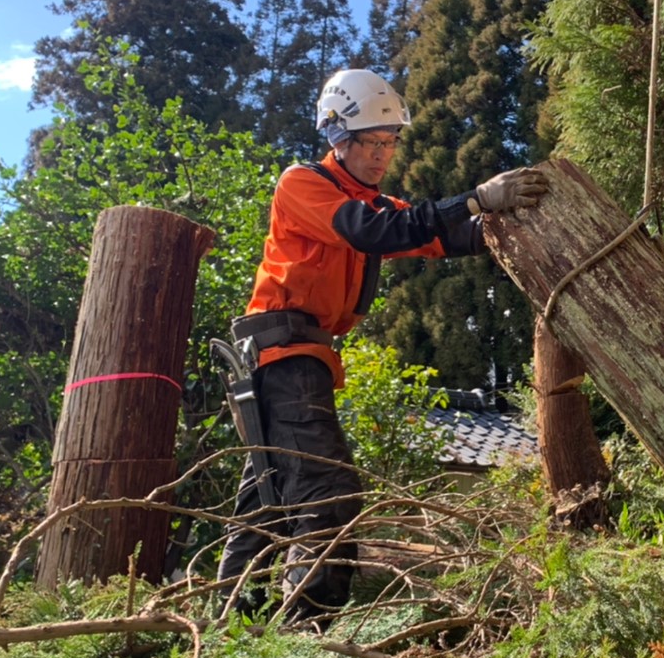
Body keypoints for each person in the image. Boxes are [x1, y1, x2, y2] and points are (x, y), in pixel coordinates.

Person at [217, 68, 549, 617]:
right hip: (282, 356)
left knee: (267, 499)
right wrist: (476, 197)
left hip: (299, 358)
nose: (382, 155)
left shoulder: (370, 204)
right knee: (330, 492)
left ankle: (228, 618)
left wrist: (504, 220)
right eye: (371, 142)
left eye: (390, 143)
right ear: (337, 138)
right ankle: (309, 630)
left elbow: (435, 234)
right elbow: (373, 232)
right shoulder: (304, 186)